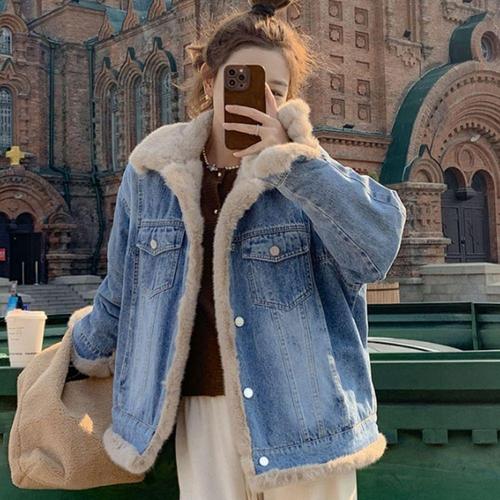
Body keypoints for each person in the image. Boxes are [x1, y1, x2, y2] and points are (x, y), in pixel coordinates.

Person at [68, 1, 407, 499]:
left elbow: (377, 250)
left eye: (276, 90)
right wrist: (74, 356)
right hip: (203, 415)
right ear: (210, 82)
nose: (261, 100)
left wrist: (294, 164)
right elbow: (122, 292)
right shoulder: (153, 175)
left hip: (306, 421)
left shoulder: (306, 172)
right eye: (242, 81)